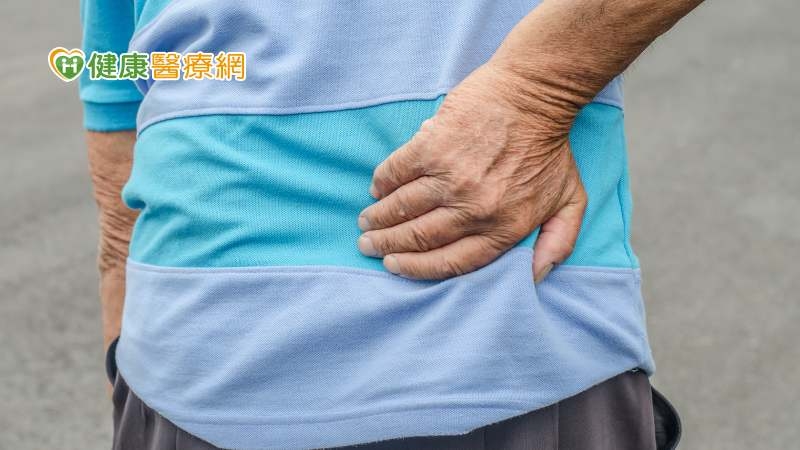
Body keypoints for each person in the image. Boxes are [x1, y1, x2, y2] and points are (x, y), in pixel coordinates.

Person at [81, 0, 701, 449]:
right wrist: (124, 331)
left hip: (495, 354)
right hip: (177, 367)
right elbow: (116, 76)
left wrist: (537, 88)